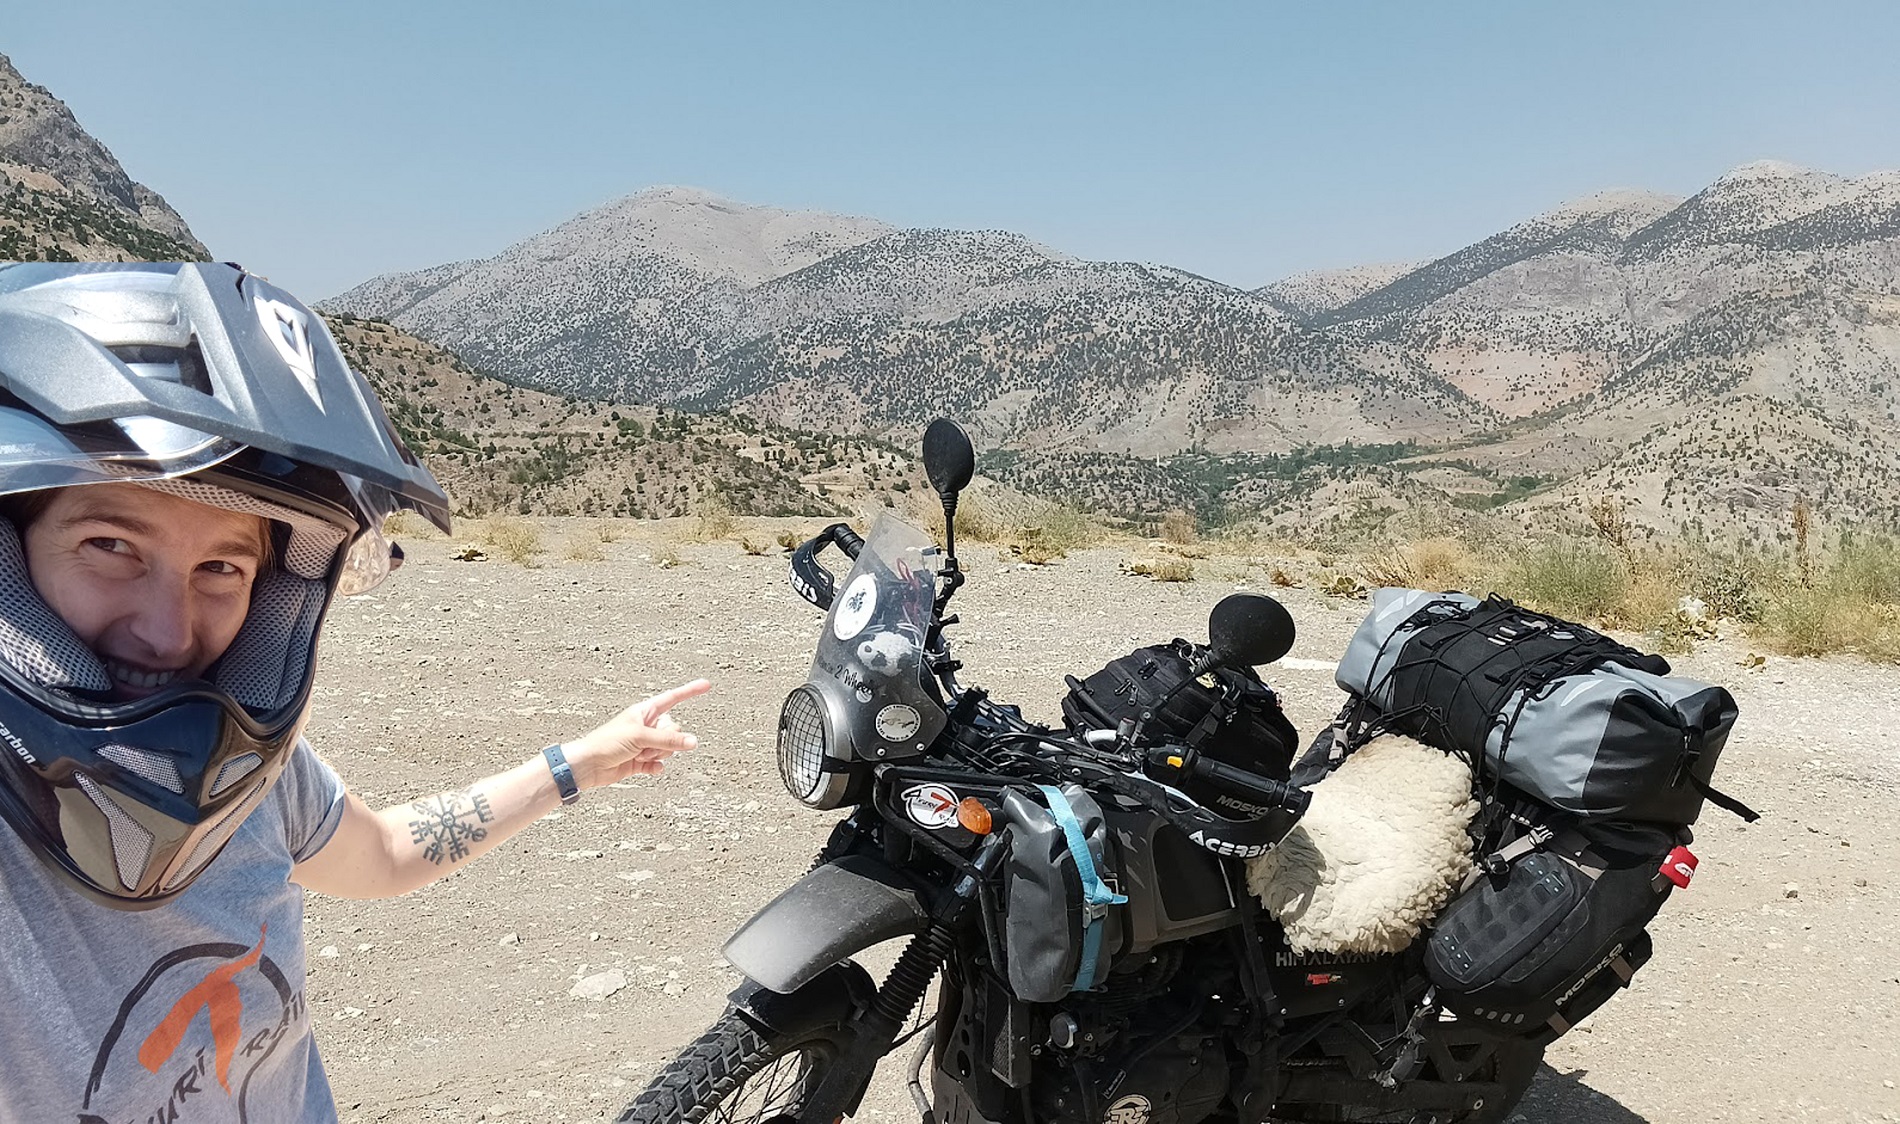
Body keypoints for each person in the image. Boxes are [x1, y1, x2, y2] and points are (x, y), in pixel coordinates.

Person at [0, 262, 710, 1123]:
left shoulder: (243, 770)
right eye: (111, 545)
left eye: (222, 565)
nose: (168, 630)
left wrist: (577, 766)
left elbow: (380, 855)